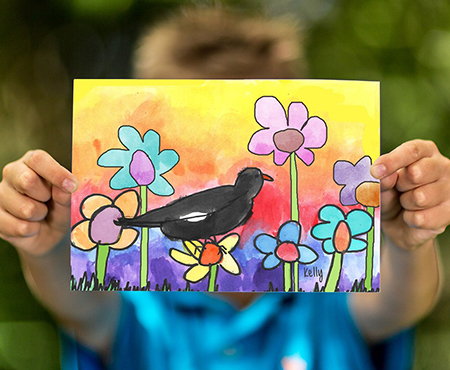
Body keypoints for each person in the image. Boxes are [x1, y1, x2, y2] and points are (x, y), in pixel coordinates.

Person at [0, 7, 448, 370]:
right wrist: (45, 245)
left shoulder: (323, 285)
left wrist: (408, 242)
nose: (217, 164)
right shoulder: (139, 305)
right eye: (193, 142)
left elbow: (398, 302)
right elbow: (78, 304)